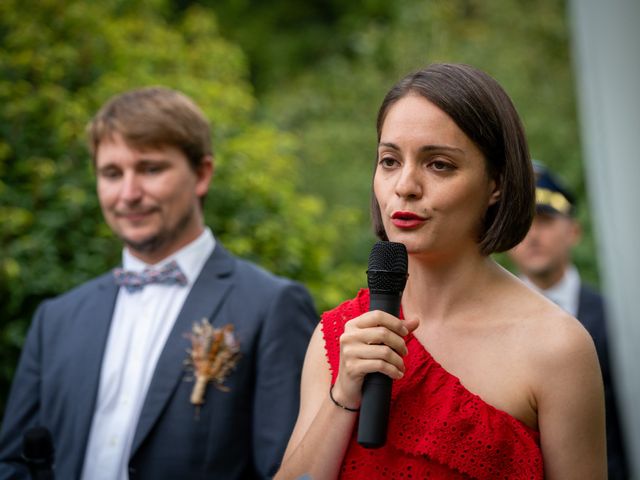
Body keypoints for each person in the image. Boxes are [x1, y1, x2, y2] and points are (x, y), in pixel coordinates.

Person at [275, 63, 606, 479]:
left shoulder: (556, 347)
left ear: (496, 183)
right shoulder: (341, 334)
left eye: (439, 165)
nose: (406, 186)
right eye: (390, 161)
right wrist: (342, 396)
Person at [0, 87, 318, 479]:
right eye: (112, 174)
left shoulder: (271, 306)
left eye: (150, 169)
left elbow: (290, 470)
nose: (129, 194)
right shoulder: (56, 319)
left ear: (202, 174)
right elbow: (12, 464)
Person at [508, 162, 629, 479]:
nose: (533, 235)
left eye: (545, 221)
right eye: (523, 224)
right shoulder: (491, 318)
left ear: (573, 231)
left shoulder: (618, 317)